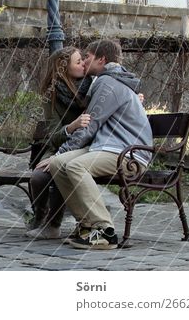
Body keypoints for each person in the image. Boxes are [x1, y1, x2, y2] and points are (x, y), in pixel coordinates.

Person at [37, 39, 151, 250]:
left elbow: (90, 126)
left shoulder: (108, 83)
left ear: (101, 60)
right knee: (58, 164)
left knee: (74, 165)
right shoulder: (103, 81)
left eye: (87, 57)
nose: (84, 61)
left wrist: (59, 151)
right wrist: (57, 156)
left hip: (128, 153)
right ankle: (88, 226)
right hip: (107, 146)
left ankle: (104, 230)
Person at [26, 47, 92, 239]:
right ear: (63, 68)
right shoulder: (51, 94)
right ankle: (40, 216)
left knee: (61, 169)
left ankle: (54, 224)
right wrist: (71, 127)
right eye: (78, 62)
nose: (83, 64)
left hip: (87, 146)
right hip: (59, 145)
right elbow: (53, 135)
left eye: (82, 60)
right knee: (38, 177)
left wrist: (135, 97)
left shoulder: (93, 84)